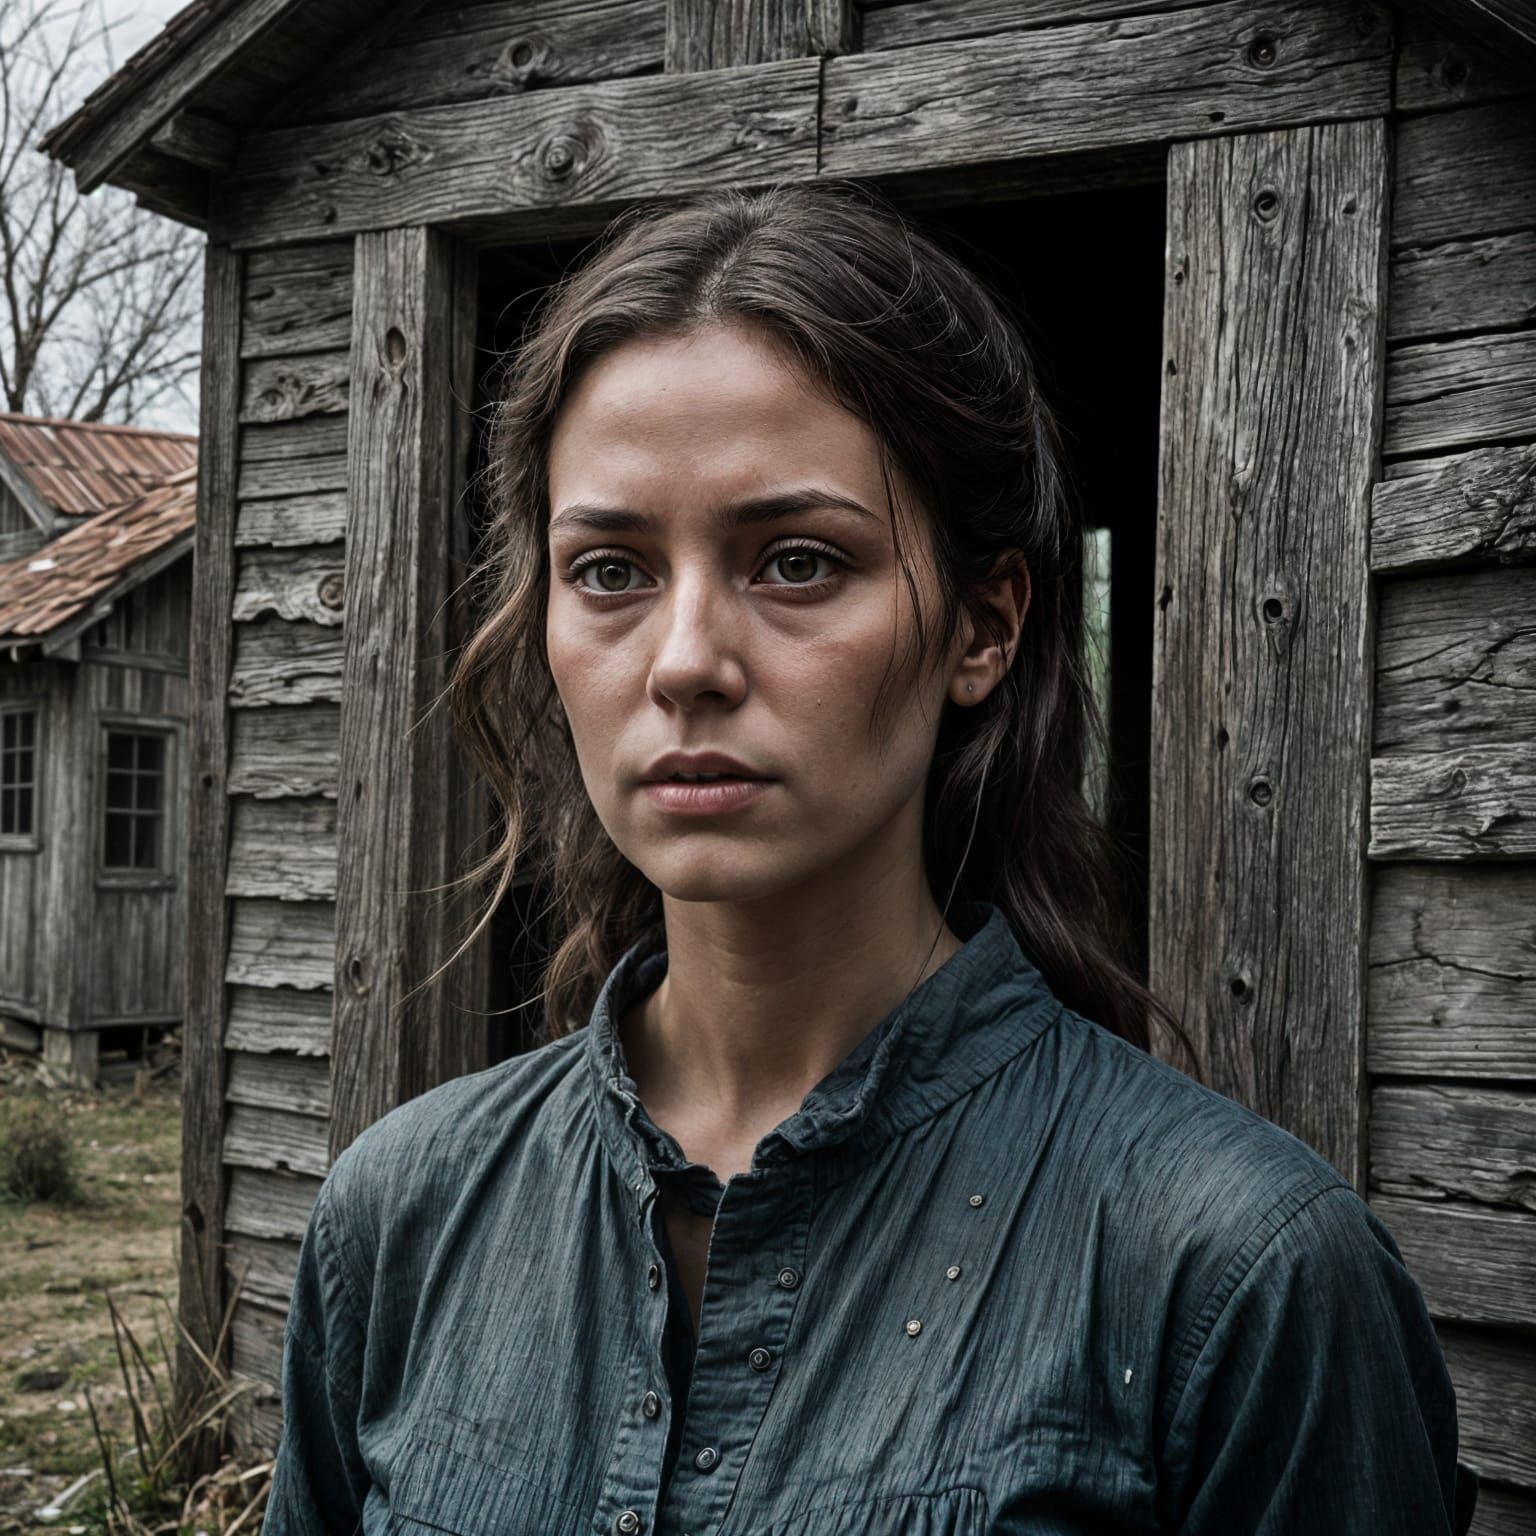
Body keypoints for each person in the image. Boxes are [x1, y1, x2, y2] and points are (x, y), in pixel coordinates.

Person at [264, 179, 1475, 1535]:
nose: (686, 663)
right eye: (610, 570)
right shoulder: (401, 1218)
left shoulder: (1240, 1275)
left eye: (795, 562)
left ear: (983, 626)